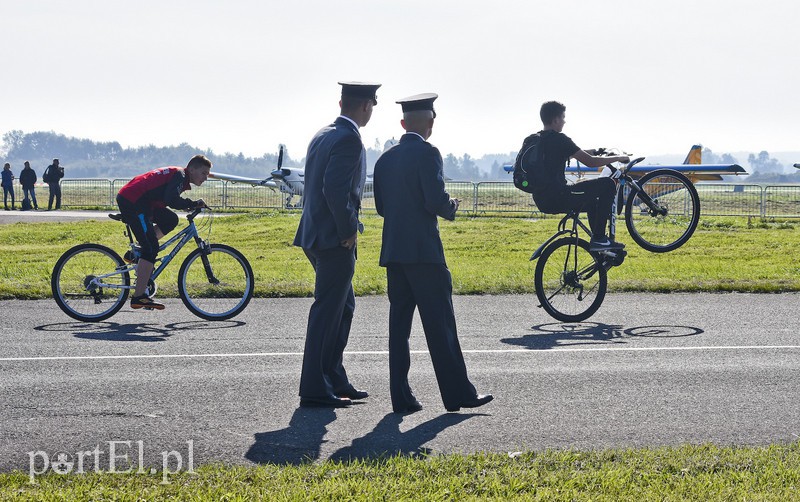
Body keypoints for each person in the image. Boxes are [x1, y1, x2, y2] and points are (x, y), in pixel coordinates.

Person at [373, 93, 493, 414]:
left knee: (399, 328)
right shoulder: (429, 154)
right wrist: (451, 206)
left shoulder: (384, 160)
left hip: (394, 253)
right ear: (430, 123)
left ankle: (401, 397)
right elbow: (434, 200)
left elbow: (382, 207)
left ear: (403, 123)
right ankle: (458, 393)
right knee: (441, 325)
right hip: (424, 254)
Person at [293, 81, 380, 408]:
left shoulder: (323, 133)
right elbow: (335, 189)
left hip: (314, 234)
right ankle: (315, 386)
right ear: (365, 106)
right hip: (334, 238)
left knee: (343, 307)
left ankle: (333, 376)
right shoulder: (349, 139)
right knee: (328, 312)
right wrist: (348, 229)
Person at [528, 101, 630, 251]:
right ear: (555, 120)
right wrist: (618, 158)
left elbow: (576, 152)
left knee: (591, 202)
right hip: (560, 196)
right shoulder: (560, 139)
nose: (564, 121)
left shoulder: (536, 140)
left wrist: (596, 150)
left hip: (542, 200)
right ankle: (600, 239)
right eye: (563, 117)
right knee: (607, 184)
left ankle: (600, 247)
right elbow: (590, 162)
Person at [116, 155, 211, 310]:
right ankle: (139, 297)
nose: (206, 177)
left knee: (170, 220)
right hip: (133, 200)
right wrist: (192, 203)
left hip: (144, 201)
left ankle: (138, 254)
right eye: (204, 173)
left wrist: (188, 205)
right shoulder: (180, 175)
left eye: (207, 174)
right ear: (192, 169)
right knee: (151, 247)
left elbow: (168, 198)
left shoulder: (180, 175)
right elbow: (171, 199)